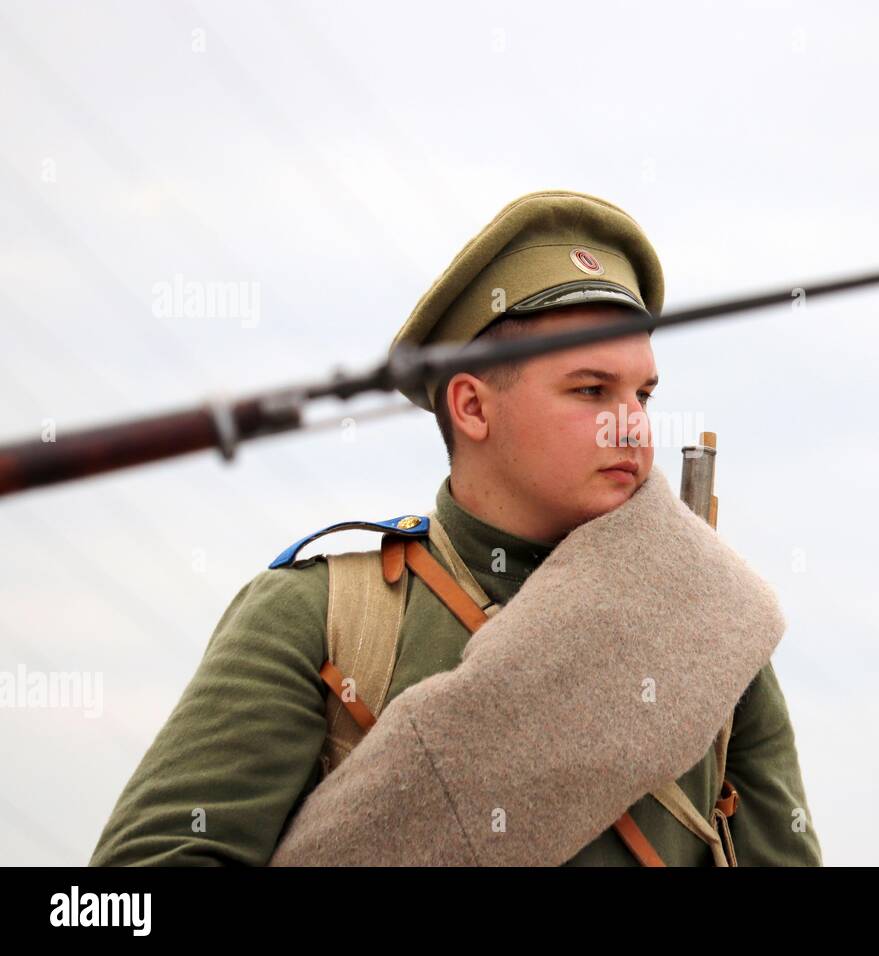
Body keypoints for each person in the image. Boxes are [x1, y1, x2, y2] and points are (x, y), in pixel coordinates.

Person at [89, 189, 822, 866]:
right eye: (591, 390)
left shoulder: (708, 621)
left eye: (644, 393)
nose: (631, 425)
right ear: (472, 407)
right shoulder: (318, 616)